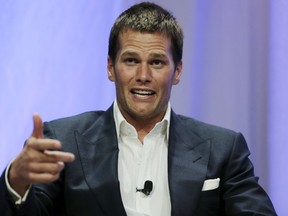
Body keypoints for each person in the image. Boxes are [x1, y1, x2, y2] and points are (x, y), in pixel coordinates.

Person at [0, 2, 277, 216]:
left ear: (177, 71)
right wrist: (16, 180)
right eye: (131, 60)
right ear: (111, 68)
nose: (143, 75)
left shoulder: (223, 149)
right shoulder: (62, 140)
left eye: (157, 62)